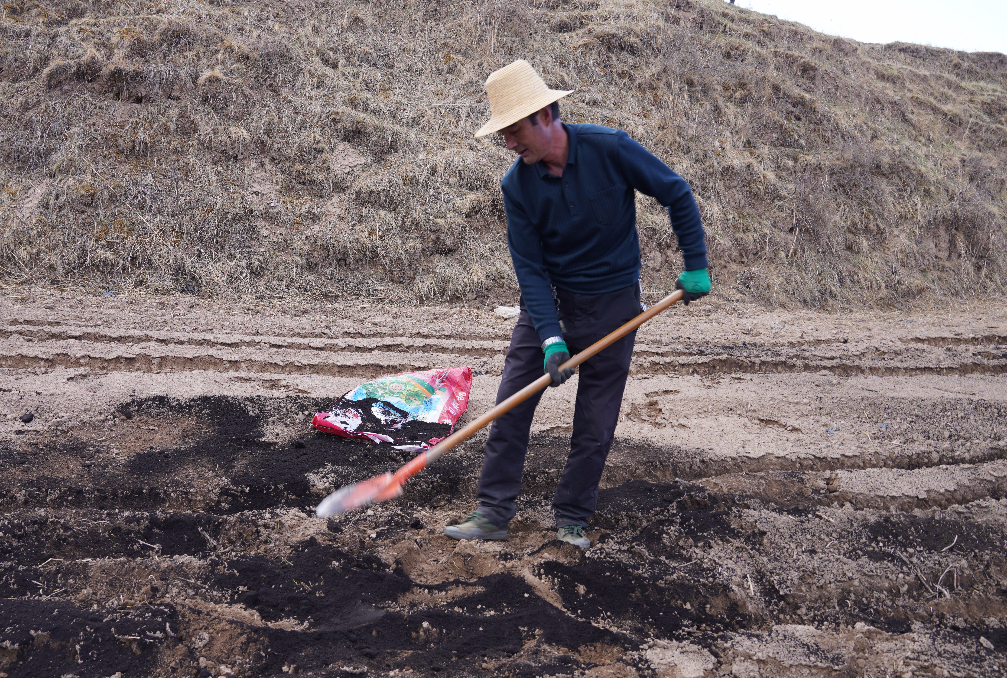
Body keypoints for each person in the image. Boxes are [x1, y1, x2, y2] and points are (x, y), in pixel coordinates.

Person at [444, 60, 710, 548]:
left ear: (546, 115)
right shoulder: (516, 186)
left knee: (595, 419)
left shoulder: (610, 148)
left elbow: (676, 193)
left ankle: (571, 518)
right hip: (552, 305)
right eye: (503, 134)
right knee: (510, 405)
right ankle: (493, 513)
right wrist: (549, 336)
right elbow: (531, 270)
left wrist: (695, 262)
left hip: (614, 304)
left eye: (515, 130)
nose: (509, 143)